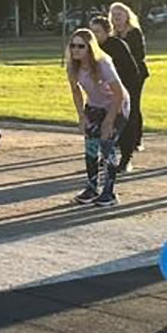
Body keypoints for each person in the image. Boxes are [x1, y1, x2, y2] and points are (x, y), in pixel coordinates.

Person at [67, 26, 126, 209]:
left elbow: (119, 95)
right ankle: (92, 187)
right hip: (94, 106)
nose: (75, 50)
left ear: (90, 48)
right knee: (91, 147)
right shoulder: (73, 66)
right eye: (73, 46)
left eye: (80, 46)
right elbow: (76, 91)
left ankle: (109, 192)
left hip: (116, 107)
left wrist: (109, 121)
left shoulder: (103, 65)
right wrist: (81, 117)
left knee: (106, 146)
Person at [106, 2, 149, 173]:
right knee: (118, 108)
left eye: (120, 14)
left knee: (132, 107)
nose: (117, 17)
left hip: (134, 75)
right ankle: (120, 140)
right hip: (117, 76)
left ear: (127, 16)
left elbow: (139, 55)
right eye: (114, 14)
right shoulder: (112, 34)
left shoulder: (134, 33)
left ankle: (135, 139)